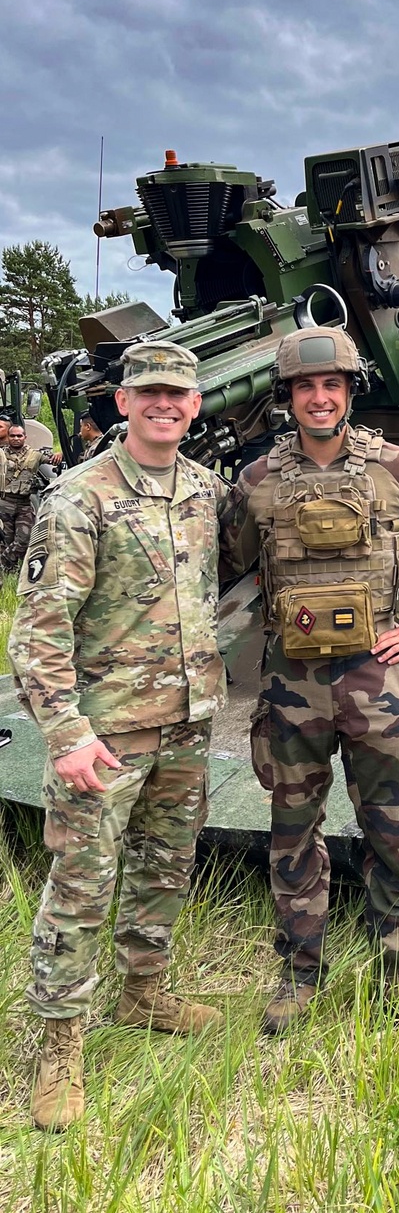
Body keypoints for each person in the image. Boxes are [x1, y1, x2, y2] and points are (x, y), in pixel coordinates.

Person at [220, 327, 399, 1033]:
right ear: (288, 397)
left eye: (331, 385)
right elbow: (232, 562)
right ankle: (300, 974)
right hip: (291, 688)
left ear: (350, 391)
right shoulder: (259, 482)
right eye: (306, 386)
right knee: (292, 834)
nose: (319, 397)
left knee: (391, 830)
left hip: (377, 682)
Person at [8, 340, 230, 1132]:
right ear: (124, 404)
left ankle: (143, 996)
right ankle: (58, 1045)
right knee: (78, 889)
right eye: (150, 394)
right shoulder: (80, 497)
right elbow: (37, 632)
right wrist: (65, 733)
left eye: (179, 394)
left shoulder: (206, 491)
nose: (165, 405)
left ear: (195, 406)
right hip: (103, 738)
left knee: (165, 869)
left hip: (186, 723)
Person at [0, 422, 62, 576]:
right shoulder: (1, 454)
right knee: (6, 539)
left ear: (25, 437)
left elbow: (53, 460)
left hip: (24, 503)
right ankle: (9, 572)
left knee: (24, 539)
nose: (16, 438)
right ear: (8, 437)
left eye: (19, 436)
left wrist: (60, 454)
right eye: (12, 435)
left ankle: (4, 560)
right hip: (5, 502)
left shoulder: (35, 455)